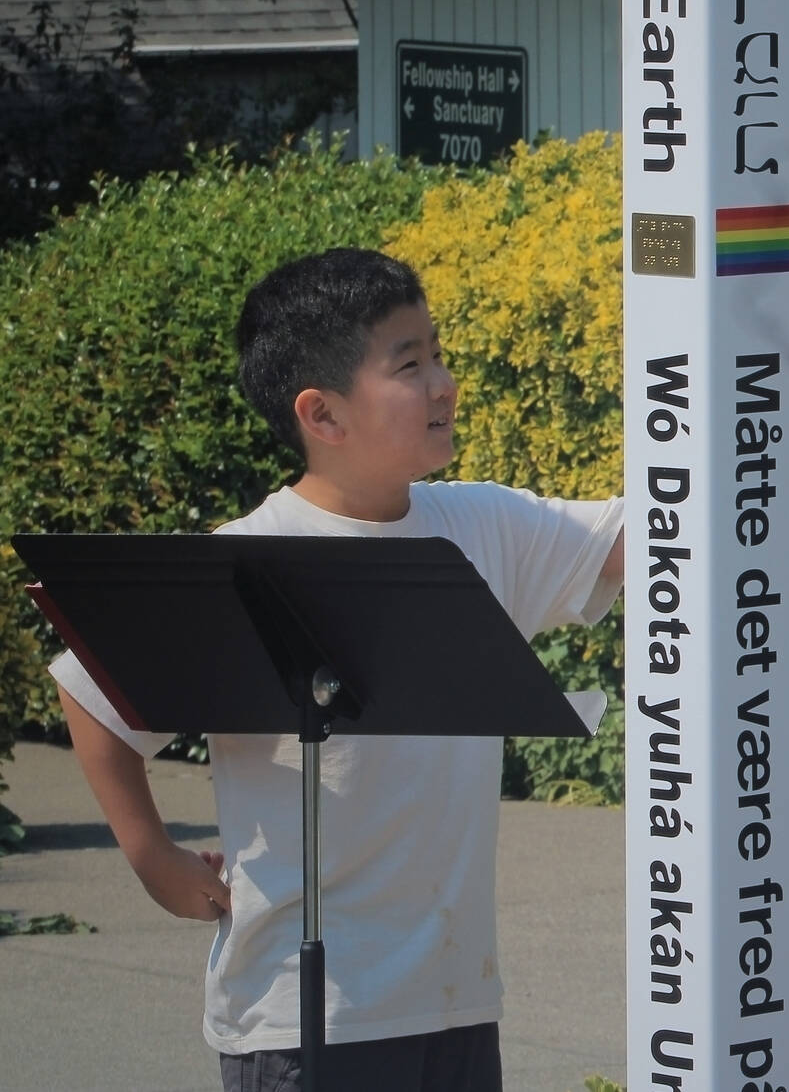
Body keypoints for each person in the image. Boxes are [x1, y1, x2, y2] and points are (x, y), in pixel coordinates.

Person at [49, 247, 628, 1092]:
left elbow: (650, 534)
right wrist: (151, 854)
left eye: (438, 351)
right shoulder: (246, 559)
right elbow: (92, 696)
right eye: (409, 363)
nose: (443, 382)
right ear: (321, 415)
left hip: (456, 1003)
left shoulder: (484, 523)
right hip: (299, 1017)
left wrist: (776, 414)